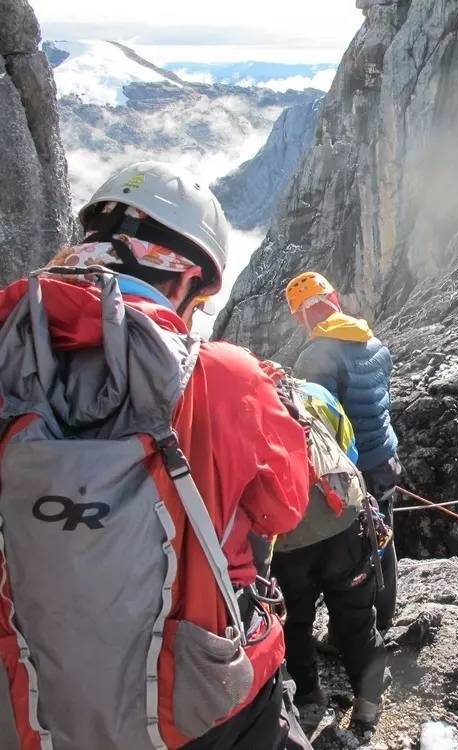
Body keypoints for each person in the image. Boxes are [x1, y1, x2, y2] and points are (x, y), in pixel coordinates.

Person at [0, 161, 313, 750]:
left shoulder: (7, 364)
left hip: (31, 707)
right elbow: (284, 509)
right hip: (203, 704)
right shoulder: (225, 377)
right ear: (188, 278)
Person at [266, 374, 388, 740]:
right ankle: (368, 703)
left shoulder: (242, 406)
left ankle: (307, 699)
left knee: (295, 622)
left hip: (285, 539)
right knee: (356, 617)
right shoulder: (313, 393)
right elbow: (347, 449)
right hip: (345, 521)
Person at [285, 271, 403, 631]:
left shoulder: (316, 356)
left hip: (352, 469)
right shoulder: (375, 344)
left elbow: (319, 427)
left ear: (300, 315)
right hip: (386, 457)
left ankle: (358, 634)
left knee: (356, 550)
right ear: (333, 299)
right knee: (383, 536)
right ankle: (384, 616)